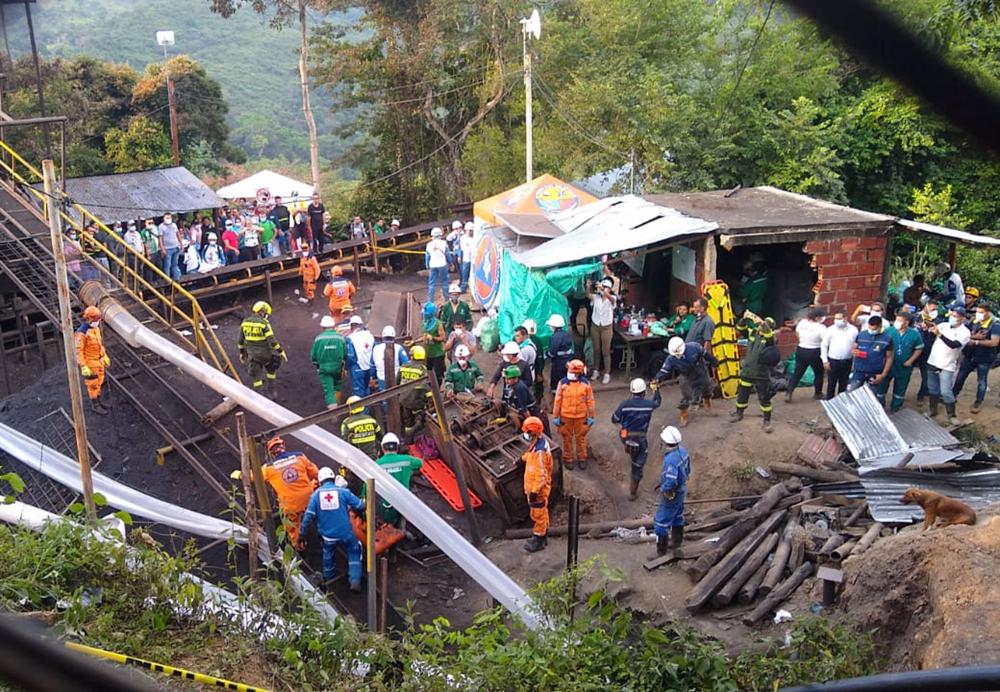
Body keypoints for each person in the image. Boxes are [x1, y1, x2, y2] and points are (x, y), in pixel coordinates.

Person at [300, 467, 365, 592]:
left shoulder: (315, 496)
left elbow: (308, 517)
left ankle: (329, 578)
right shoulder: (343, 492)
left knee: (328, 554)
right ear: (333, 478)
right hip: (346, 534)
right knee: (354, 551)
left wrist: (302, 534)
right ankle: (355, 580)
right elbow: (360, 505)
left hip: (328, 536)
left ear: (320, 481)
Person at [260, 436, 319, 551]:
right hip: (309, 499)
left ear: (271, 452)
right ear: (284, 445)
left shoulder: (268, 468)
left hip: (290, 504)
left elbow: (254, 476)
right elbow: (315, 473)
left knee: (292, 527)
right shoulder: (299, 456)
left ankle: (300, 547)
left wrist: (240, 474)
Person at [611, 378, 662, 500]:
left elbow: (614, 419)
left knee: (625, 436)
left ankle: (628, 446)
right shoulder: (649, 405)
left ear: (632, 391)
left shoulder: (624, 404)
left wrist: (624, 425)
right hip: (641, 437)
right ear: (644, 392)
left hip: (626, 435)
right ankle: (633, 492)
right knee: (638, 464)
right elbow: (657, 402)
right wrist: (656, 390)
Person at [731, 315, 781, 432]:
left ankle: (767, 421)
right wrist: (744, 318)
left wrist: (763, 323)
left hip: (761, 374)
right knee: (742, 394)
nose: (760, 327)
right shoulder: (753, 333)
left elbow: (768, 334)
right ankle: (739, 414)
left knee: (764, 398)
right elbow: (740, 328)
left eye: (764, 326)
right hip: (747, 371)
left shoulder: (771, 339)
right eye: (760, 325)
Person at [654, 336, 718, 428]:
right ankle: (684, 414)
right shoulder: (671, 359)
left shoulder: (695, 347)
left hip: (701, 371)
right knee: (687, 395)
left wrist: (714, 362)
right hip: (686, 376)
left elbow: (706, 355)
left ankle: (707, 403)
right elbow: (665, 370)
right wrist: (657, 379)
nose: (678, 355)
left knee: (707, 387)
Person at [926, 306, 971, 423]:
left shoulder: (965, 332)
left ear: (962, 318)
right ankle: (932, 410)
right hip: (933, 361)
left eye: (955, 316)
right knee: (932, 388)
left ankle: (951, 415)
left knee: (946, 391)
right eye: (952, 315)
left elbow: (954, 345)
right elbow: (931, 338)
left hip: (947, 365)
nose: (953, 318)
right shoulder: (943, 325)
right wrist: (930, 331)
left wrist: (940, 335)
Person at [954, 302, 1000, 413]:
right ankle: (953, 395)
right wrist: (975, 337)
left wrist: (975, 342)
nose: (978, 314)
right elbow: (964, 334)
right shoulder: (974, 322)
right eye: (977, 312)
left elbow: (994, 342)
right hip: (969, 355)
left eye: (981, 312)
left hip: (984, 358)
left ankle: (978, 402)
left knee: (982, 381)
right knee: (960, 377)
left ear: (988, 312)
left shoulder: (995, 325)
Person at [653, 425, 690, 556]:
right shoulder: (683, 451)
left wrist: (664, 489)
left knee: (661, 522)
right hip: (681, 489)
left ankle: (661, 552)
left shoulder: (670, 460)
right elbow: (688, 470)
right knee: (678, 516)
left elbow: (671, 480)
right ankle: (676, 542)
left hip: (673, 493)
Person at [552, 359, 595, 471]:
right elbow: (558, 400)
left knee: (580, 438)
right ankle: (568, 459)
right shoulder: (563, 383)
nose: (570, 373)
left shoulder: (585, 384)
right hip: (566, 416)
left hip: (581, 417)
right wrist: (556, 416)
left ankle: (582, 458)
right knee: (567, 438)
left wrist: (591, 416)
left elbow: (590, 401)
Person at [238, 301, 286, 397]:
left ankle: (259, 398)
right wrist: (281, 351)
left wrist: (242, 354)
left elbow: (240, 341)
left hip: (252, 355)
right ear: (262, 311)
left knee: (256, 378)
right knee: (272, 369)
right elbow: (272, 340)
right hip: (266, 354)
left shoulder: (244, 323)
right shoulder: (264, 323)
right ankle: (272, 392)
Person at [519, 416, 552, 553]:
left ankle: (539, 539)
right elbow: (530, 456)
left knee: (538, 515)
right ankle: (543, 536)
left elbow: (541, 475)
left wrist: (534, 492)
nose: (525, 434)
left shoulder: (540, 452)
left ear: (533, 432)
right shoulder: (538, 444)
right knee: (541, 513)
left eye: (527, 432)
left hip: (537, 490)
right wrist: (523, 459)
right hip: (534, 487)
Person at [375, 434, 423, 525]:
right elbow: (420, 463)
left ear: (382, 448)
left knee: (389, 526)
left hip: (387, 503)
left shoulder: (377, 464)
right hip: (405, 501)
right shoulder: (407, 460)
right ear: (397, 447)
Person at [882, 311, 924, 412]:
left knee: (900, 388)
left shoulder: (914, 334)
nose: (897, 322)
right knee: (882, 386)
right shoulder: (888, 331)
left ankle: (896, 407)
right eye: (897, 320)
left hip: (904, 366)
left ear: (906, 323)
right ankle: (879, 405)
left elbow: (919, 348)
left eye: (900, 321)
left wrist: (911, 360)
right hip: (887, 365)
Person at [848, 315, 895, 404]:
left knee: (872, 397)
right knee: (852, 393)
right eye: (870, 328)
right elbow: (854, 348)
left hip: (875, 373)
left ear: (880, 326)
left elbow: (889, 358)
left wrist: (883, 375)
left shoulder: (887, 339)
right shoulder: (861, 335)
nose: (871, 331)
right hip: (859, 371)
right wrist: (854, 351)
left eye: (874, 329)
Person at [785, 307, 828, 401]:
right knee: (819, 373)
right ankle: (818, 393)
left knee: (797, 373)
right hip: (815, 351)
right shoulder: (821, 328)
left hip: (801, 349)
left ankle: (789, 392)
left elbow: (797, 333)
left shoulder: (802, 322)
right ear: (817, 318)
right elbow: (825, 342)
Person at [75, 306, 111, 415]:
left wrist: (104, 355)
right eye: (96, 319)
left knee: (100, 381)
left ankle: (99, 401)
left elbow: (99, 345)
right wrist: (83, 366)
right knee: (93, 384)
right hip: (90, 362)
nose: (98, 322)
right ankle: (95, 404)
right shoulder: (82, 333)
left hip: (98, 360)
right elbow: (78, 351)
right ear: (89, 319)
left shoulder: (95, 329)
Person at [311, 315, 346, 408]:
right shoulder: (340, 338)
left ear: (322, 327)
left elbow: (313, 356)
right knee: (337, 386)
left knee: (329, 390)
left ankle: (333, 411)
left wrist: (317, 365)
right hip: (338, 367)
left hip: (324, 368)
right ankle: (338, 404)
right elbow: (345, 353)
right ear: (333, 326)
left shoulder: (318, 339)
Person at [821, 311, 858, 399]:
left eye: (839, 319)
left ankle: (841, 402)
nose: (836, 321)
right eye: (835, 318)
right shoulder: (830, 329)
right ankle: (830, 401)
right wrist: (825, 361)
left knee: (844, 383)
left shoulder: (853, 330)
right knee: (831, 383)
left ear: (845, 318)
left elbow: (856, 345)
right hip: (833, 360)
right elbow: (824, 345)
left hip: (847, 360)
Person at [398, 345, 431, 434]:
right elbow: (426, 388)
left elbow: (397, 383)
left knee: (407, 422)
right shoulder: (422, 369)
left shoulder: (403, 366)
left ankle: (408, 441)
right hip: (417, 402)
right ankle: (417, 435)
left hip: (404, 401)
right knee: (419, 420)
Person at [589, 277, 617, 384]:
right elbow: (588, 295)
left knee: (606, 351)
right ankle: (596, 370)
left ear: (609, 289)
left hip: (606, 327)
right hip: (595, 325)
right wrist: (588, 287)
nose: (603, 289)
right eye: (603, 287)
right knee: (596, 349)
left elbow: (613, 300)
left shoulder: (612, 298)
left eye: (606, 287)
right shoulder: (596, 298)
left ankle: (607, 373)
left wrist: (605, 292)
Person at [915, 298, 941, 403]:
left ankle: (921, 395)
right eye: (933, 308)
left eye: (936, 309)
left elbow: (936, 335)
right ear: (927, 306)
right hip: (913, 349)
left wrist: (931, 329)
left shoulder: (937, 320)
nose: (934, 311)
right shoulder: (916, 317)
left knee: (925, 374)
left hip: (927, 350)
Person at [340, 395, 382, 460]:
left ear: (349, 408)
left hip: (357, 461)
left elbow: (344, 443)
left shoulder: (347, 423)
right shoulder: (371, 420)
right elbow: (381, 437)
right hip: (373, 459)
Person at [372, 325, 410, 392]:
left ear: (383, 337)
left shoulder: (376, 348)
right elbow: (406, 364)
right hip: (395, 380)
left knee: (384, 397)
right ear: (394, 337)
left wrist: (374, 377)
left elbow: (372, 366)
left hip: (381, 379)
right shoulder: (399, 348)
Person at [346, 315, 375, 398]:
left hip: (357, 367)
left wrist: (346, 367)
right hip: (369, 367)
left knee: (358, 394)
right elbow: (374, 350)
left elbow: (350, 356)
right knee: (367, 390)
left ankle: (362, 411)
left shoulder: (350, 338)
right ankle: (368, 409)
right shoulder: (370, 335)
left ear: (351, 326)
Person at [546, 313, 574, 397]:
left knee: (556, 380)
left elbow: (552, 352)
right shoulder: (566, 334)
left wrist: (547, 354)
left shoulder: (555, 337)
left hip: (559, 362)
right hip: (568, 360)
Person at [421, 301, 447, 382]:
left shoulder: (438, 324)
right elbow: (424, 336)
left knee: (438, 375)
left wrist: (433, 338)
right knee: (427, 374)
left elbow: (443, 338)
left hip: (437, 354)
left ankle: (437, 392)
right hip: (428, 353)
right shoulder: (424, 323)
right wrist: (414, 341)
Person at [523, 319, 546, 403]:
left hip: (532, 367)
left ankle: (536, 400)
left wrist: (539, 372)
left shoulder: (534, 341)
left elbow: (539, 358)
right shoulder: (536, 340)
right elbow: (540, 358)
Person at [425, 226, 449, 303]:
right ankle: (446, 298)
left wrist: (427, 265)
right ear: (440, 235)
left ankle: (430, 301)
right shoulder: (444, 243)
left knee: (431, 283)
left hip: (432, 265)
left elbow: (427, 256)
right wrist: (451, 263)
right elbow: (447, 254)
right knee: (445, 281)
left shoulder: (429, 244)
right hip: (442, 264)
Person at [157, 213, 182, 281]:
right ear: (163, 218)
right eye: (167, 218)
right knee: (167, 265)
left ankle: (177, 278)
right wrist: (162, 249)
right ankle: (167, 279)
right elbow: (160, 238)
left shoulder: (174, 225)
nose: (168, 219)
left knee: (175, 264)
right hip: (167, 249)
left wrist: (181, 244)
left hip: (175, 247)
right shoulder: (161, 227)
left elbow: (177, 234)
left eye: (169, 218)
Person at [459, 221, 475, 293]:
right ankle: (463, 289)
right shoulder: (463, 238)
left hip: (473, 259)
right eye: (470, 230)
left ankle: (473, 288)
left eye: (472, 231)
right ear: (466, 230)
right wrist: (459, 256)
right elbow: (462, 249)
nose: (471, 232)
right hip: (466, 259)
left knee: (473, 275)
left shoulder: (474, 238)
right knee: (465, 275)